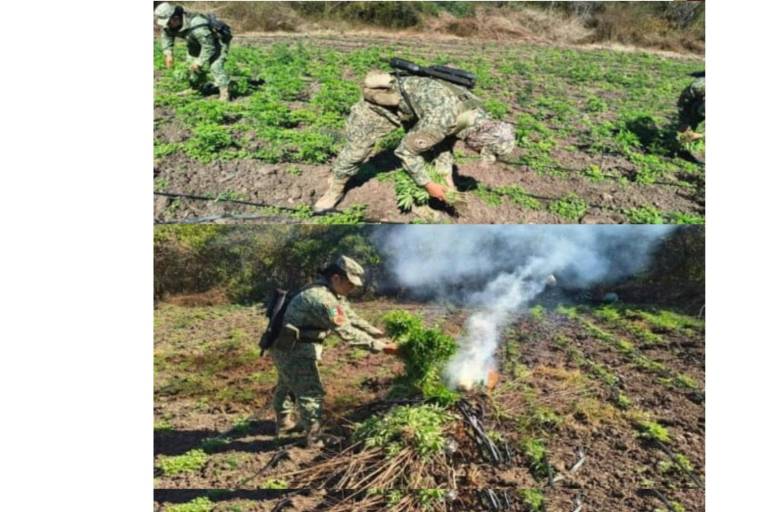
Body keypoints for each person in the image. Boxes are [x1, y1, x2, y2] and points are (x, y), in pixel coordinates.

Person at [313, 70, 517, 213]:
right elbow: (404, 152)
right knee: (356, 151)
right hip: (381, 107)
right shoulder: (443, 120)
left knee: (434, 142)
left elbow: (446, 144)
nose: (475, 151)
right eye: (480, 150)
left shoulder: (477, 115)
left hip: (415, 107)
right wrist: (428, 185)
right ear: (480, 140)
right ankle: (335, 188)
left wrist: (447, 182)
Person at [268, 256, 399, 448]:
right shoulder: (322, 299)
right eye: (350, 283)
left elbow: (351, 317)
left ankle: (285, 423)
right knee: (310, 391)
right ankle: (314, 438)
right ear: (337, 278)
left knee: (287, 384)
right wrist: (382, 347)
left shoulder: (332, 294)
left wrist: (376, 333)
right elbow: (346, 331)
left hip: (288, 346)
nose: (353, 288)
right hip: (293, 350)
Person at [154, 2, 232, 101]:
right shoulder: (170, 25)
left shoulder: (197, 24)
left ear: (176, 17)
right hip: (195, 42)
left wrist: (200, 62)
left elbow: (209, 47)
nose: (167, 25)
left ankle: (225, 92)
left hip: (216, 42)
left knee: (215, 66)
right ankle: (195, 88)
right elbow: (166, 36)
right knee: (192, 65)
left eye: (169, 23)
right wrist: (168, 53)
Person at [677, 73, 705, 143]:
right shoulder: (698, 87)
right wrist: (684, 122)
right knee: (684, 132)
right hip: (694, 103)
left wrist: (701, 135)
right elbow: (683, 103)